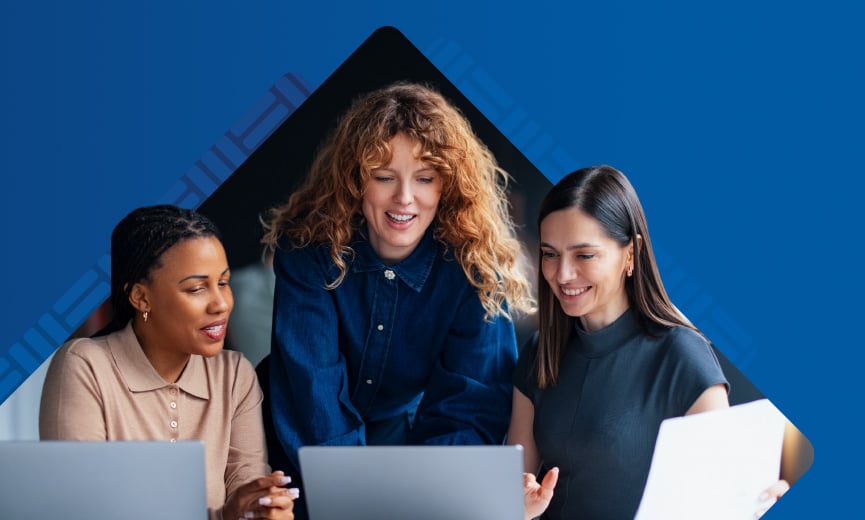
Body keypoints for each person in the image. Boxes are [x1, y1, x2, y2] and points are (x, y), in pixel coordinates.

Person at [261, 81, 535, 473]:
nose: (404, 197)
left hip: (401, 434)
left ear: (449, 185)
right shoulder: (309, 250)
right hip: (297, 438)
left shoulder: (476, 268)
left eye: (425, 178)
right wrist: (355, 492)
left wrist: (426, 492)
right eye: (384, 176)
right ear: (355, 180)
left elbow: (471, 409)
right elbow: (311, 393)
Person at [509, 165, 789, 519]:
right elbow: (511, 493)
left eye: (584, 255)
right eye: (550, 254)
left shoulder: (681, 356)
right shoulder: (540, 352)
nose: (562, 274)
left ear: (631, 253)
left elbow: (719, 502)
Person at [40, 205, 296, 520]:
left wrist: (261, 508)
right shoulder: (85, 366)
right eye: (196, 288)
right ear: (140, 298)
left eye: (224, 283)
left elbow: (246, 489)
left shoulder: (234, 375)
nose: (220, 304)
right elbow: (79, 509)